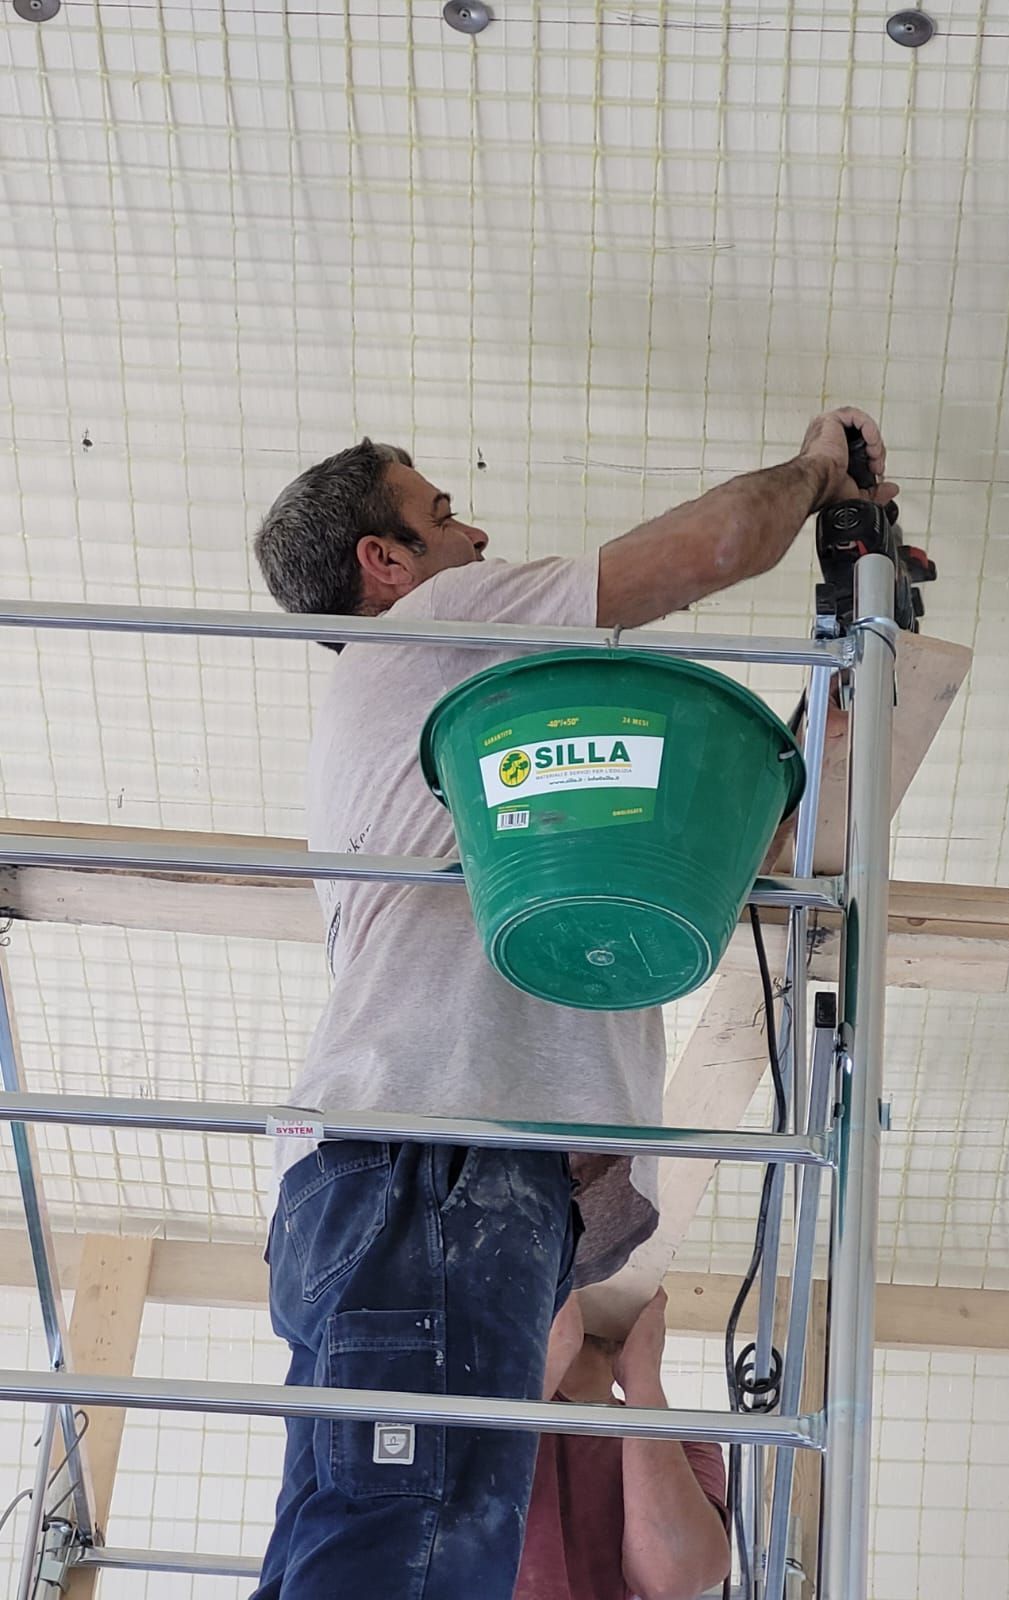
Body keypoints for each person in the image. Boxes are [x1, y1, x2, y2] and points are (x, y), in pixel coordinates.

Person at [249, 408, 895, 1600]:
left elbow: (696, 863)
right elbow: (702, 553)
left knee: (374, 1540)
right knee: (418, 1543)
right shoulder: (438, 627)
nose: (476, 535)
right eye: (443, 516)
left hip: (404, 1176)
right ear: (383, 564)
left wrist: (826, 722)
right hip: (438, 1164)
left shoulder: (472, 765)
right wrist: (816, 473)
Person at [518, 1289, 730, 1600]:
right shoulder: (470, 1409)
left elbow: (668, 1581)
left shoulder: (684, 1443)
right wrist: (548, 1361)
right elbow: (453, 1521)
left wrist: (642, 1375)